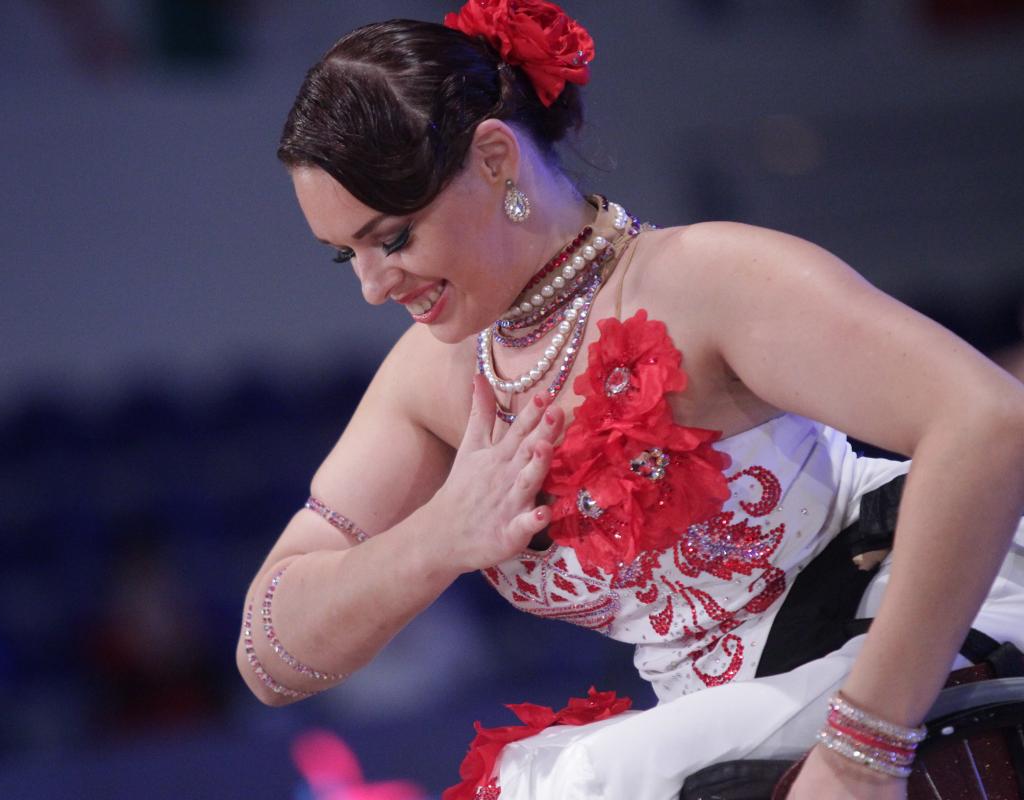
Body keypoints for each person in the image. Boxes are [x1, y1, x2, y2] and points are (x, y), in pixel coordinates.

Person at [236, 2, 1024, 798]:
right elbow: (270, 654)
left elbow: (989, 422)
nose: (373, 287)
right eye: (346, 257)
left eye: (394, 238)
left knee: (560, 784)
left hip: (900, 641)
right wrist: (438, 537)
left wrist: (862, 752)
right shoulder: (434, 379)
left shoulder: (708, 282)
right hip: (726, 726)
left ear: (496, 158)